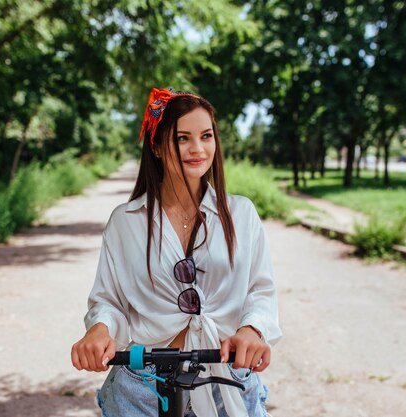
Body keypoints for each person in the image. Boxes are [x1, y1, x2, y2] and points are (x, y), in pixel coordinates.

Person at [71, 87, 282, 417]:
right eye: (182, 138)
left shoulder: (241, 214)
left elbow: (260, 290)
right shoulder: (125, 223)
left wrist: (251, 329)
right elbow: (108, 301)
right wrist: (99, 329)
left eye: (206, 136)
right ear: (156, 145)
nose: (197, 148)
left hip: (227, 380)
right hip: (142, 386)